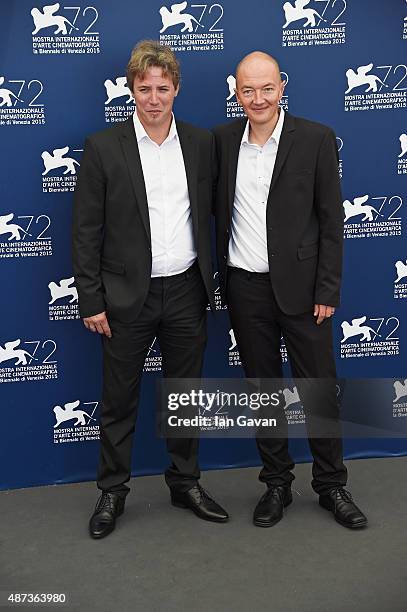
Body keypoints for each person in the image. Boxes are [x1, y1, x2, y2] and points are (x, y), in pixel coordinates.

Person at [72, 40, 229, 539]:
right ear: (131, 90)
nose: (154, 97)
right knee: (118, 399)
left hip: (186, 289)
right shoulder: (102, 147)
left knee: (186, 396)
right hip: (123, 297)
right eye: (145, 88)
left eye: (163, 88)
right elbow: (85, 230)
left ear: (176, 89)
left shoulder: (202, 143)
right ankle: (112, 491)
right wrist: (91, 298)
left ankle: (185, 483)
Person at [213, 51, 367, 529]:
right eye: (247, 90)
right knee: (262, 391)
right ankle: (276, 483)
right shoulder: (220, 141)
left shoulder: (317, 138)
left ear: (282, 85)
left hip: (305, 293)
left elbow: (331, 221)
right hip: (246, 288)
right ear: (235, 91)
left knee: (318, 390)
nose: (257, 99)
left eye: (266, 88)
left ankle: (331, 486)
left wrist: (328, 288)